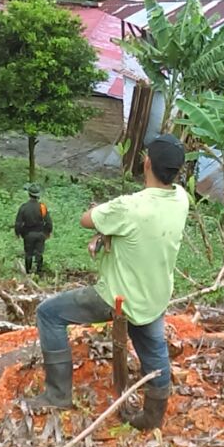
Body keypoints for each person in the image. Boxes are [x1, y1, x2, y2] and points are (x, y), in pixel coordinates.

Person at [23, 134, 190, 430]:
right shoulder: (181, 199)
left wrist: (105, 222)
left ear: (147, 162)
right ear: (176, 172)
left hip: (118, 297)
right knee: (154, 352)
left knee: (48, 313)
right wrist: (109, 232)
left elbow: (86, 219)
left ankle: (58, 394)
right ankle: (152, 418)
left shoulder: (128, 207)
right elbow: (140, 229)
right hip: (155, 296)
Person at [14, 183, 53, 274]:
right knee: (39, 253)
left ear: (29, 194)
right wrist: (48, 232)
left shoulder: (23, 207)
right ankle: (39, 272)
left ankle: (28, 272)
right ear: (38, 195)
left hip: (28, 234)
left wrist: (17, 233)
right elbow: (48, 222)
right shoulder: (42, 207)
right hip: (40, 233)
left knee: (28, 254)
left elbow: (18, 223)